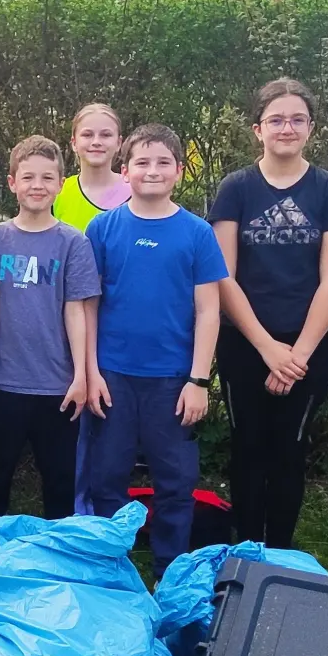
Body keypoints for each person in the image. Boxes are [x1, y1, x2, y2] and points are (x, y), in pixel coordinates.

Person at [211, 78, 328, 550]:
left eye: (296, 119)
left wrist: (297, 355)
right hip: (244, 343)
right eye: (276, 120)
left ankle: (279, 556)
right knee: (247, 449)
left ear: (310, 127)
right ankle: (246, 553)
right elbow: (223, 276)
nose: (286, 128)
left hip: (307, 346)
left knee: (290, 451)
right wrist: (267, 347)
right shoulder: (236, 189)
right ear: (258, 129)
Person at [83, 123, 225, 575]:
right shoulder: (102, 228)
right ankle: (109, 568)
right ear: (125, 171)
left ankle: (171, 571)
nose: (152, 171)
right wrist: (90, 372)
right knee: (107, 476)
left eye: (163, 162)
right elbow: (88, 305)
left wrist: (198, 380)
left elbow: (208, 310)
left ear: (179, 170)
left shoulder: (197, 233)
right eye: (142, 162)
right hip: (112, 376)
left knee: (176, 481)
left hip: (173, 380)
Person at [0, 136, 100, 522]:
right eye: (28, 177)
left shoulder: (73, 243)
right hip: (1, 383)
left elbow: (76, 311)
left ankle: (57, 551)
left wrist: (81, 376)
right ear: (12, 183)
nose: (37, 186)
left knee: (59, 483)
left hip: (57, 387)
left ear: (60, 184)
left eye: (47, 178)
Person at [52, 102, 130, 232]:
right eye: (87, 135)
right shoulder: (57, 192)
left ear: (118, 143)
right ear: (74, 143)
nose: (96, 142)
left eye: (106, 135)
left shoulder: (137, 191)